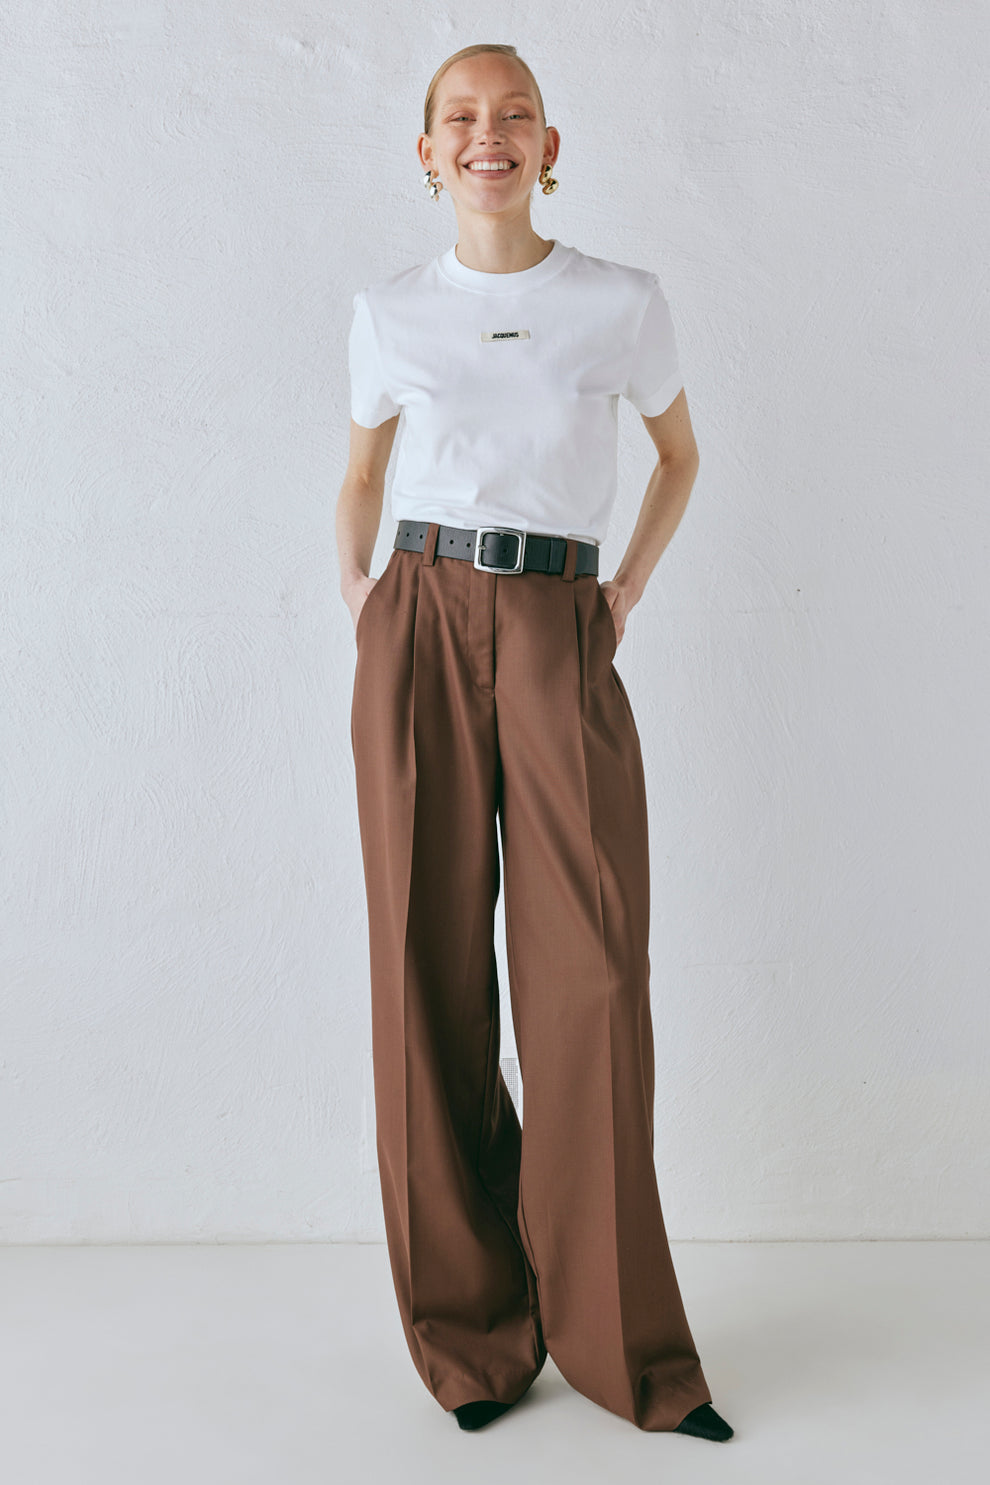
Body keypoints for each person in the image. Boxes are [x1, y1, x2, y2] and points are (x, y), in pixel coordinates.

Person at [336, 43, 735, 1444]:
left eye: (512, 114)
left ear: (548, 144)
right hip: (418, 620)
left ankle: (628, 1351)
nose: (486, 134)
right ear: (427, 152)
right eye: (460, 116)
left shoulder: (620, 301)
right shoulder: (389, 312)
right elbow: (362, 473)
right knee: (422, 973)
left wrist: (620, 593)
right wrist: (363, 601)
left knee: (593, 976)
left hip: (563, 620)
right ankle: (470, 1340)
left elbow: (679, 456)